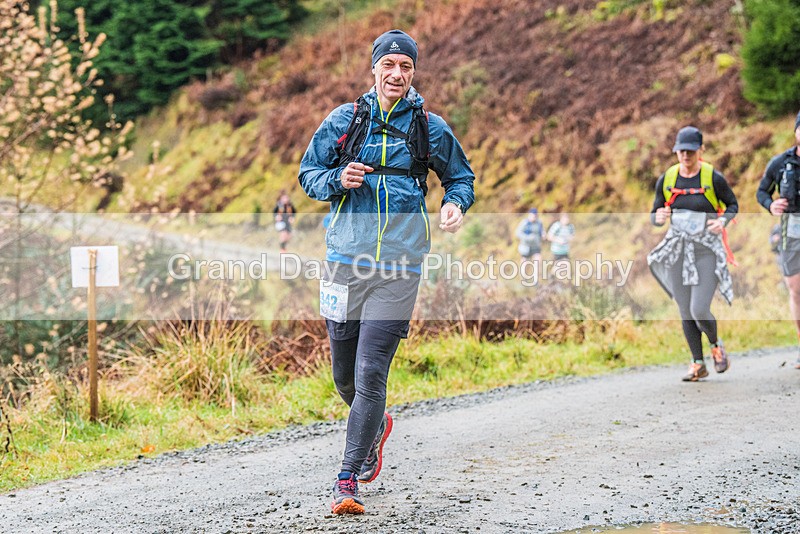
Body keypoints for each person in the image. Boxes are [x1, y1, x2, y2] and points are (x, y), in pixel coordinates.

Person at [298, 29, 475, 514]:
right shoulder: (344, 120)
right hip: (343, 264)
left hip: (400, 265)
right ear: (373, 68)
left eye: (407, 67)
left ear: (414, 73)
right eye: (389, 65)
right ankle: (376, 429)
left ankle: (347, 481)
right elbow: (307, 174)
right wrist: (337, 178)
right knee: (344, 378)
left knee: (371, 371)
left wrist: (455, 204)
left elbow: (460, 176)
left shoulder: (429, 128)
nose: (397, 75)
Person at [647, 126, 738, 382]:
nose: (685, 156)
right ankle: (697, 363)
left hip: (706, 250)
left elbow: (733, 205)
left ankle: (715, 345)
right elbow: (655, 214)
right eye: (681, 151)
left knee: (699, 308)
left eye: (690, 151)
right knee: (685, 309)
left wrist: (723, 222)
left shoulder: (712, 178)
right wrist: (659, 217)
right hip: (678, 251)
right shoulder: (667, 179)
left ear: (701, 150)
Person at [756, 110, 800, 370]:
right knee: (795, 289)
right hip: (791, 234)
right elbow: (762, 191)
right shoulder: (780, 163)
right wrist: (770, 205)